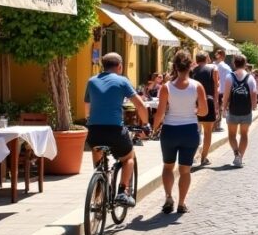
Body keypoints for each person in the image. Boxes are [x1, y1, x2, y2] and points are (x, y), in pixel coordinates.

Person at [86, 53, 148, 208]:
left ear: (103, 66)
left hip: (94, 131)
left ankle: (99, 193)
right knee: (128, 157)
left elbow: (87, 107)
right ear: (119, 66)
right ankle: (122, 191)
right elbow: (140, 105)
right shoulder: (122, 81)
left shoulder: (92, 81)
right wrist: (146, 124)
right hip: (115, 131)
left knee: (98, 155)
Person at [154, 51, 207, 214]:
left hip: (170, 130)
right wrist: (193, 111)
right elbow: (204, 112)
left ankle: (169, 197)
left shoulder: (166, 87)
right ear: (191, 66)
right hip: (189, 130)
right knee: (185, 170)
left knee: (168, 167)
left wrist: (154, 128)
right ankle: (182, 203)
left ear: (175, 67)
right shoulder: (197, 86)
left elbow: (160, 113)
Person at [221, 54, 258, 167]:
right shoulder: (250, 78)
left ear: (234, 63)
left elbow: (226, 95)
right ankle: (240, 158)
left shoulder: (230, 77)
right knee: (244, 134)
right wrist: (253, 105)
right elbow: (254, 93)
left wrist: (223, 108)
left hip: (233, 110)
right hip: (246, 111)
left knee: (232, 135)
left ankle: (236, 154)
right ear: (245, 64)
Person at [190, 51, 220, 166]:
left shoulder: (192, 71)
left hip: (195, 102)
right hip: (209, 101)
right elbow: (216, 87)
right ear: (207, 58)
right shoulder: (213, 70)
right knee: (208, 132)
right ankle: (203, 158)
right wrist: (217, 104)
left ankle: (192, 156)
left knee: (195, 131)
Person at [212, 48, 232, 132]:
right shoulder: (226, 67)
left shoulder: (212, 65)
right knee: (219, 108)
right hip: (223, 90)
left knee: (215, 108)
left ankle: (215, 125)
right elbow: (230, 79)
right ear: (223, 56)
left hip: (214, 89)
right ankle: (217, 125)